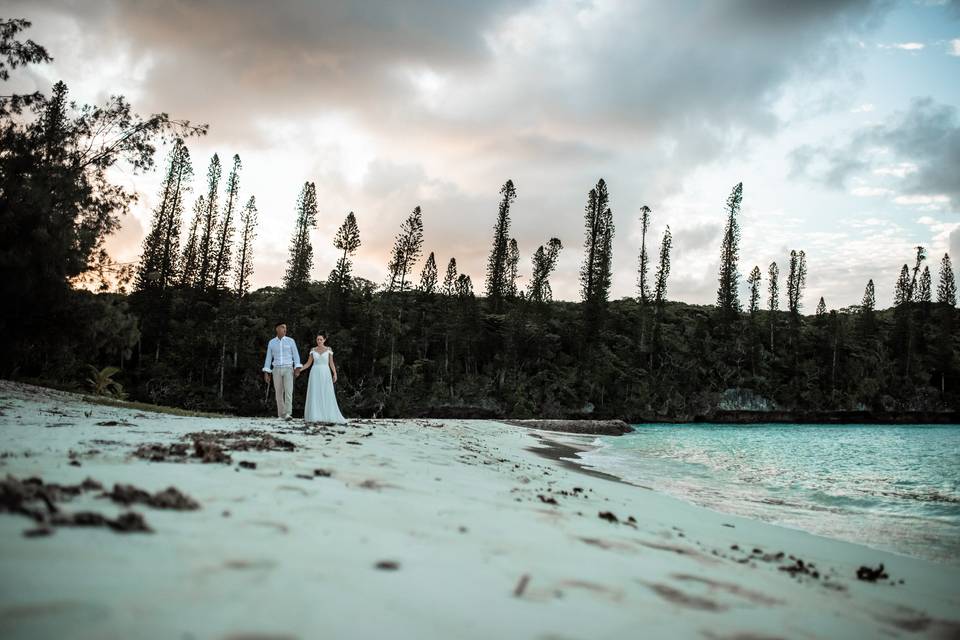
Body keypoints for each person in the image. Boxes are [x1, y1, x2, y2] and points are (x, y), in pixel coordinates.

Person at [301, 332, 346, 424]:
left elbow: (331, 363)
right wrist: (299, 369)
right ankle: (315, 415)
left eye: (321, 339)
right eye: (317, 339)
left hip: (325, 372)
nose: (319, 341)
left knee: (326, 392)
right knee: (315, 393)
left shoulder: (328, 350)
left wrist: (335, 373)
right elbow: (308, 363)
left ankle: (327, 414)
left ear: (324, 340)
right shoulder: (313, 350)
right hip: (315, 373)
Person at [262, 322, 302, 420]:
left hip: (288, 368)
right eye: (283, 327)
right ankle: (281, 414)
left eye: (285, 328)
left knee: (288, 391)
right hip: (276, 369)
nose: (285, 329)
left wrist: (297, 368)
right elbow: (268, 358)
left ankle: (288, 413)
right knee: (278, 393)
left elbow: (296, 355)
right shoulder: (272, 342)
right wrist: (266, 372)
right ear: (277, 329)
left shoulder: (290, 341)